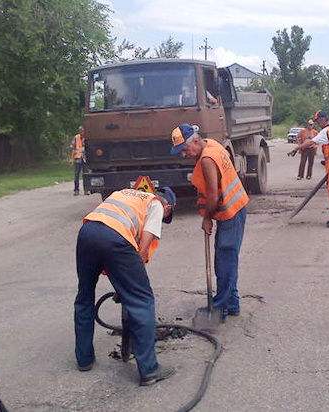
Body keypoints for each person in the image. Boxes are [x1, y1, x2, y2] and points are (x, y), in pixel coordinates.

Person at [74, 187, 177, 386]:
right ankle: (149, 369)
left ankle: (84, 359)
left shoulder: (125, 193)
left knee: (84, 296)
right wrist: (131, 281)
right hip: (114, 238)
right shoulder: (155, 204)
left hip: (87, 233)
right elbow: (144, 242)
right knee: (141, 300)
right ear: (168, 207)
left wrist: (122, 281)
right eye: (167, 215)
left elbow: (106, 228)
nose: (163, 218)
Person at [170, 124, 248, 319]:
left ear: (196, 141)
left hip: (231, 212)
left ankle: (219, 307)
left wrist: (207, 219)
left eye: (185, 150)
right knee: (227, 258)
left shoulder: (206, 159)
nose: (184, 155)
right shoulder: (212, 144)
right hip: (235, 207)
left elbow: (213, 195)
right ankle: (232, 304)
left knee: (225, 261)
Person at [294, 111, 329, 228]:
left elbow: (311, 142)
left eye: (318, 120)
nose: (317, 123)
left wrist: (297, 148)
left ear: (323, 119)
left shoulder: (326, 131)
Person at [70, 127, 86, 196]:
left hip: (85, 158)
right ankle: (76, 190)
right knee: (76, 175)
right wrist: (71, 158)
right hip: (78, 158)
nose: (82, 132)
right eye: (81, 131)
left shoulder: (87, 137)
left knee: (86, 174)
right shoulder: (76, 138)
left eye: (83, 131)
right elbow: (73, 148)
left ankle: (86, 190)